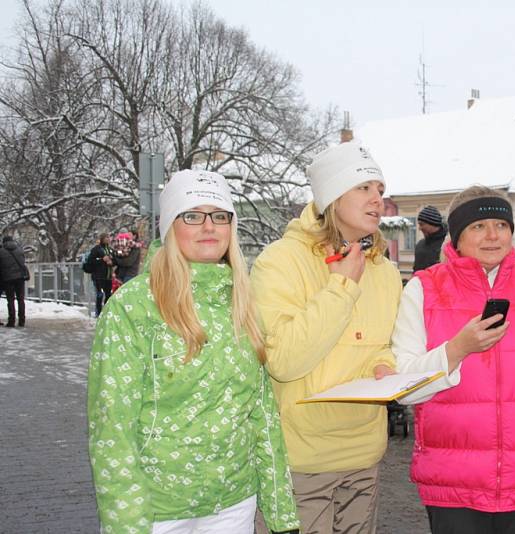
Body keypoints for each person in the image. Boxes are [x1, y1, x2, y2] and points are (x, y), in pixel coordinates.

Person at [87, 169, 300, 534]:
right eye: (192, 215)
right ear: (170, 226)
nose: (209, 226)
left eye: (220, 216)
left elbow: (262, 415)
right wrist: (127, 524)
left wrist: (283, 515)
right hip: (159, 510)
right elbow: (112, 428)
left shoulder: (241, 303)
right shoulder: (135, 307)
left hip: (233, 504)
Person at [391, 185, 515, 534]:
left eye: (501, 225)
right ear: (458, 237)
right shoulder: (423, 289)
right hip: (453, 485)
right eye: (479, 226)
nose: (493, 235)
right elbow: (403, 386)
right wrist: (456, 349)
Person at [250, 141, 402, 534]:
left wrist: (384, 364)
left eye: (381, 191)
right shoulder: (280, 260)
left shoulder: (383, 270)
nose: (377, 201)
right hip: (301, 458)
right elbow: (283, 360)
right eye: (364, 188)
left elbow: (378, 341)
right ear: (332, 196)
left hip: (364, 453)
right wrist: (342, 286)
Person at [0, 236, 28, 327]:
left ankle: (11, 321)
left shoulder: (1, 252)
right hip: (20, 278)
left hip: (8, 279)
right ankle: (22, 321)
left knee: (10, 300)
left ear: (3, 242)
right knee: (21, 299)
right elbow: (23, 262)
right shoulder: (19, 250)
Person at [87, 233, 115, 317]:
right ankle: (98, 313)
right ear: (102, 239)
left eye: (108, 237)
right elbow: (90, 261)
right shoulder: (96, 249)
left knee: (108, 295)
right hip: (98, 276)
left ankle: (106, 313)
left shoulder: (110, 250)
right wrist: (102, 260)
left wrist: (112, 262)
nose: (108, 239)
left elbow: (114, 260)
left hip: (108, 277)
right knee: (100, 295)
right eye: (106, 237)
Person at [412, 205, 447, 272]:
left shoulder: (447, 245)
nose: (419, 228)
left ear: (432, 223)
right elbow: (415, 271)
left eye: (421, 224)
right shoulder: (420, 245)